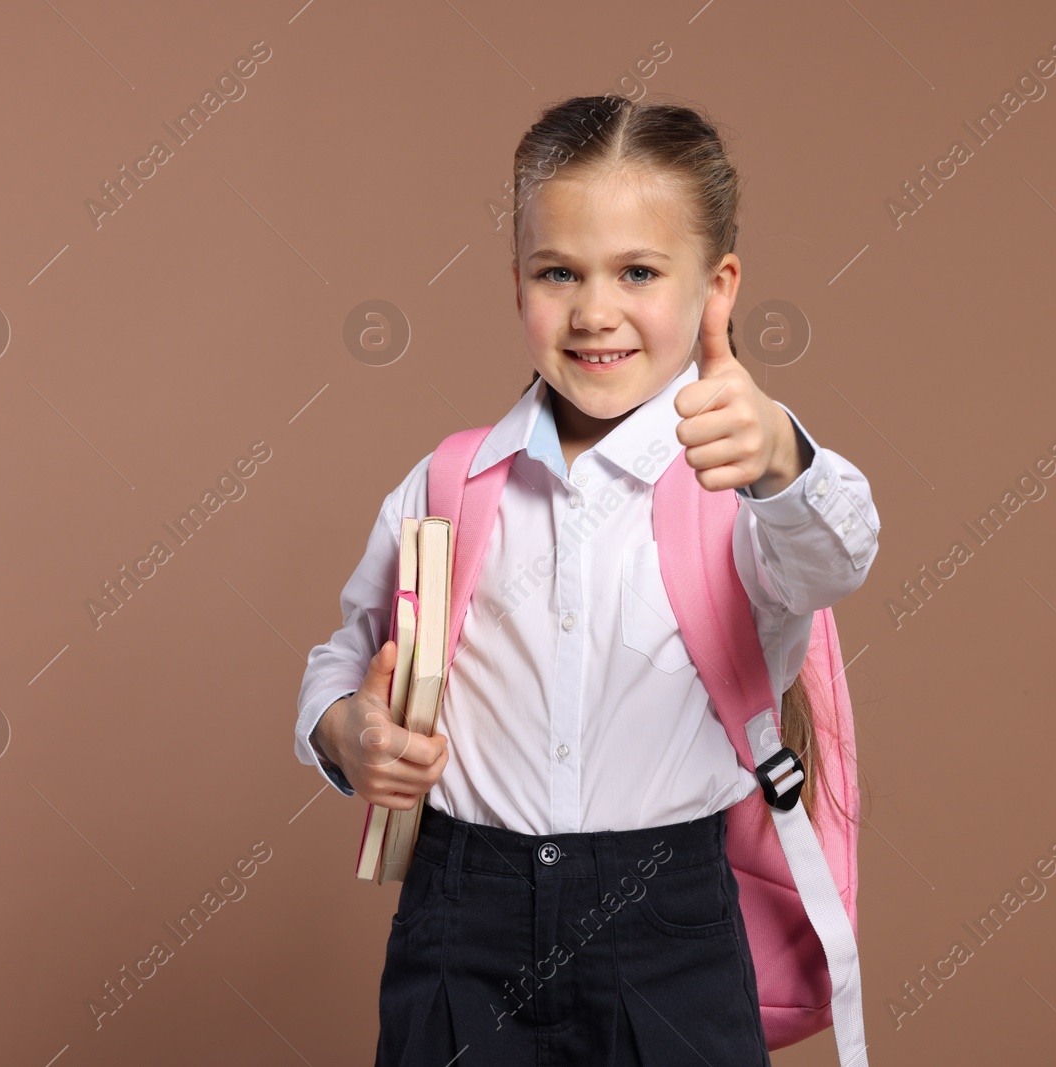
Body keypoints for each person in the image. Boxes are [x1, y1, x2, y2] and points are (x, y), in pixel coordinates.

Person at [295, 94, 882, 1065]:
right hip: (457, 916)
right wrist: (346, 733)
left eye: (638, 272)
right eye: (557, 271)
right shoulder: (449, 479)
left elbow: (835, 556)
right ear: (515, 280)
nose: (594, 310)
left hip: (669, 922)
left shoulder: (742, 482)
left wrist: (782, 451)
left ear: (717, 285)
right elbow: (347, 651)